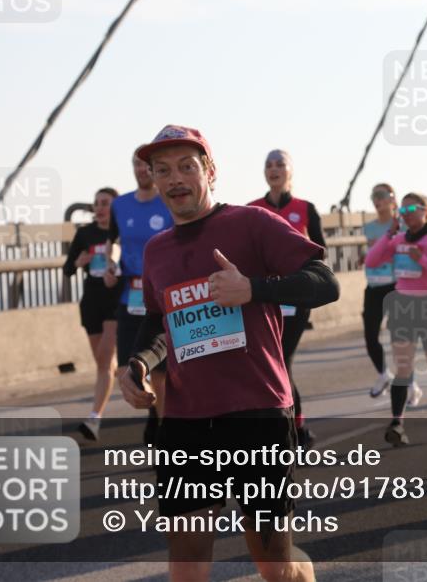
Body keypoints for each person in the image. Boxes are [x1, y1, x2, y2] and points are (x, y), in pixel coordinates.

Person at [118, 125, 338, 582]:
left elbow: (325, 282)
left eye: (186, 166)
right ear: (153, 180)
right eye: (163, 170)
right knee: (187, 568)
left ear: (210, 172)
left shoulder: (251, 223)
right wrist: (137, 363)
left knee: (276, 568)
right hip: (185, 421)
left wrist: (253, 289)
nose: (175, 179)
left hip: (256, 412)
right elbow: (160, 321)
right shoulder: (157, 251)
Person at [365, 192, 427, 447]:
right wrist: (389, 234)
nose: (406, 214)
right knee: (403, 367)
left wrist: (423, 260)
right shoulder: (398, 240)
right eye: (402, 210)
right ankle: (397, 423)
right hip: (403, 307)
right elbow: (372, 261)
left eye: (411, 209)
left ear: (426, 210)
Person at [249, 149, 326, 448]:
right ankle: (283, 426)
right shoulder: (252, 209)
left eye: (280, 164)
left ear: (290, 171)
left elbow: (320, 254)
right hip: (263, 297)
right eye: (269, 164)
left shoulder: (305, 208)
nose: (274, 169)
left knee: (282, 361)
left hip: (294, 298)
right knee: (267, 364)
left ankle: (297, 428)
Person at [108, 153, 173, 443]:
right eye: (136, 163)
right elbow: (112, 241)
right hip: (130, 295)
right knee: (126, 369)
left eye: (147, 165)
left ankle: (165, 432)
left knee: (159, 373)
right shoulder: (120, 205)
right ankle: (154, 413)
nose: (141, 169)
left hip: (160, 297)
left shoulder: (168, 201)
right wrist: (111, 263)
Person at [63, 187, 121, 441]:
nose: (99, 208)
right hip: (91, 302)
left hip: (116, 300)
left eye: (105, 203)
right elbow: (67, 269)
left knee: (106, 358)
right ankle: (141, 383)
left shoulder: (122, 232)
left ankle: (94, 418)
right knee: (103, 363)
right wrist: (79, 262)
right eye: (96, 203)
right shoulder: (85, 233)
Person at [362, 183, 399, 397]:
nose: (377, 200)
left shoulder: (401, 225)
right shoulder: (368, 228)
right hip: (373, 287)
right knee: (370, 337)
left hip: (395, 287)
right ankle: (384, 374)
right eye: (374, 196)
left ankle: (409, 383)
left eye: (381, 195)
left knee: (399, 339)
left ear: (392, 198)